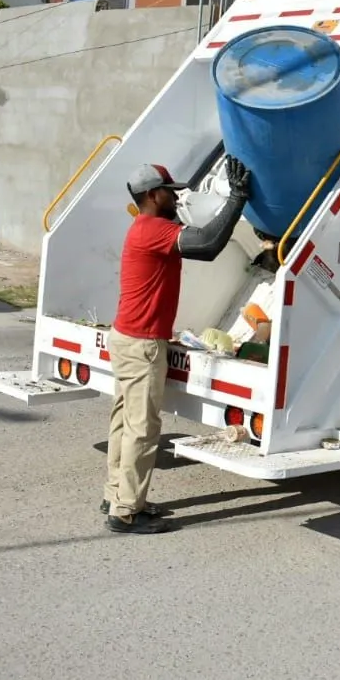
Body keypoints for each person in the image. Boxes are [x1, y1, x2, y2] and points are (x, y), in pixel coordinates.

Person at [102, 158, 252, 534]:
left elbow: (200, 238)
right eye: (169, 192)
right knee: (142, 428)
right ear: (153, 195)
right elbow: (206, 245)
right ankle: (125, 512)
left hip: (128, 338)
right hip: (141, 345)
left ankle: (117, 494)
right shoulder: (151, 228)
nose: (175, 197)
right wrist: (237, 198)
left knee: (124, 422)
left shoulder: (144, 227)